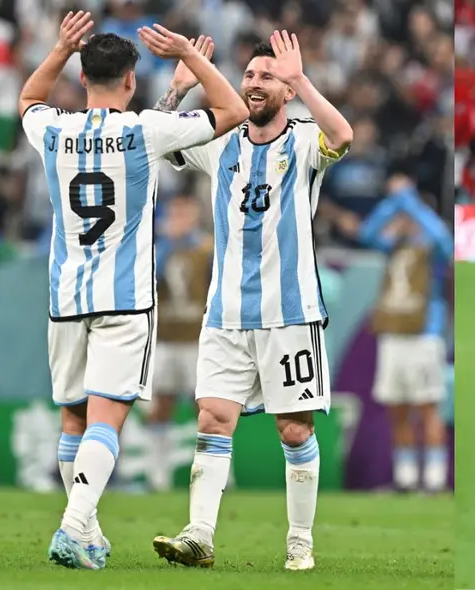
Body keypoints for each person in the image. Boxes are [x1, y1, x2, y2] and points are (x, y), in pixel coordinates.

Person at [19, 12, 247, 569]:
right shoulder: (145, 129)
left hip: (66, 298)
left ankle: (89, 532)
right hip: (124, 301)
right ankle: (74, 526)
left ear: (80, 79)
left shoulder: (54, 129)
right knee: (106, 419)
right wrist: (190, 60)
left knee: (74, 418)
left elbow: (27, 99)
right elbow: (233, 111)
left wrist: (57, 49)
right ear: (129, 80)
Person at [148, 30, 353, 571]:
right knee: (213, 418)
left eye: (267, 77)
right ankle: (199, 534)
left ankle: (300, 542)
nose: (254, 84)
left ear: (284, 91)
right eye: (250, 76)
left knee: (294, 429)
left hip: (290, 314)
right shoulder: (222, 140)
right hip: (226, 315)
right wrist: (178, 90)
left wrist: (301, 78)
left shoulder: (306, 140)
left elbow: (344, 134)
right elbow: (159, 140)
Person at [339, 173, 453, 493]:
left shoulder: (435, 250)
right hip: (393, 335)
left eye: (407, 217)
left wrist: (408, 199)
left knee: (428, 407)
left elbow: (441, 235)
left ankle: (433, 479)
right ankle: (405, 478)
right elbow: (368, 232)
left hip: (423, 335)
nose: (402, 222)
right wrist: (393, 204)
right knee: (397, 409)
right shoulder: (393, 248)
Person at [146, 192, 213, 492]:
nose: (179, 220)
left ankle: (213, 471)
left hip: (198, 338)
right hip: (166, 338)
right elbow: (151, 277)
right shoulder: (159, 249)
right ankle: (158, 472)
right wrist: (169, 244)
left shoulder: (207, 249)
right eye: (174, 214)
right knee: (161, 403)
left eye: (185, 214)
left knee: (207, 406)